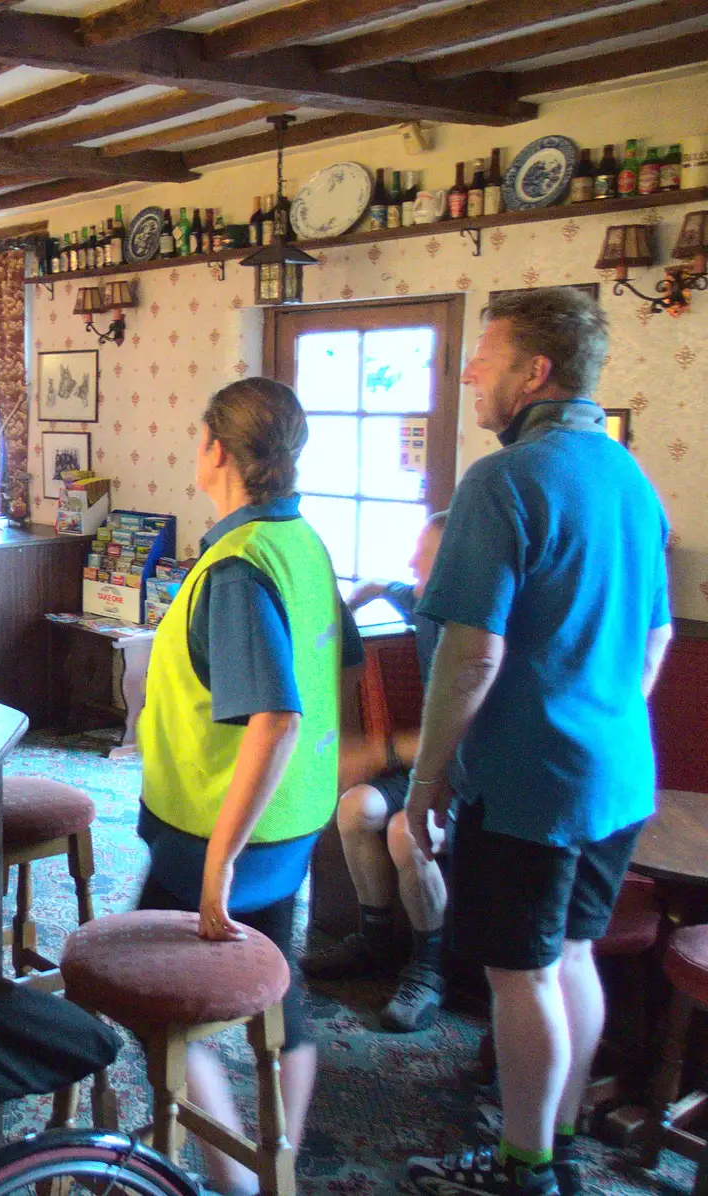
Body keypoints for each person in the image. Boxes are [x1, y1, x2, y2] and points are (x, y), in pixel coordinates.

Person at [405, 289, 672, 1196]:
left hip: (532, 784)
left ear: (536, 373)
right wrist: (598, 714)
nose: (471, 372)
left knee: (519, 973)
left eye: (487, 356)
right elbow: (656, 643)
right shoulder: (631, 478)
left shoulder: (504, 480)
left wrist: (427, 779)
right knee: (571, 956)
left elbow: (470, 655)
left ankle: (526, 1169)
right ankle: (550, 1138)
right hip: (618, 775)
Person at [136, 377, 361, 1196]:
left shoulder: (235, 567)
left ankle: (232, 1175)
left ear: (217, 450)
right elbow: (336, 664)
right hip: (292, 823)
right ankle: (281, 1168)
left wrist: (218, 865)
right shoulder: (303, 542)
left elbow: (277, 716)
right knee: (281, 993)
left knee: (161, 1011)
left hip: (216, 831)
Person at [302, 511, 450, 1032]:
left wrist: (377, 752)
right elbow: (386, 585)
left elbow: (465, 737)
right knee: (355, 808)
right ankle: (374, 940)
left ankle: (429, 969)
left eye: (424, 555)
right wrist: (352, 602)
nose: (412, 562)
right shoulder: (428, 602)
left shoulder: (482, 632)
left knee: (406, 834)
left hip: (467, 780)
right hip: (422, 768)